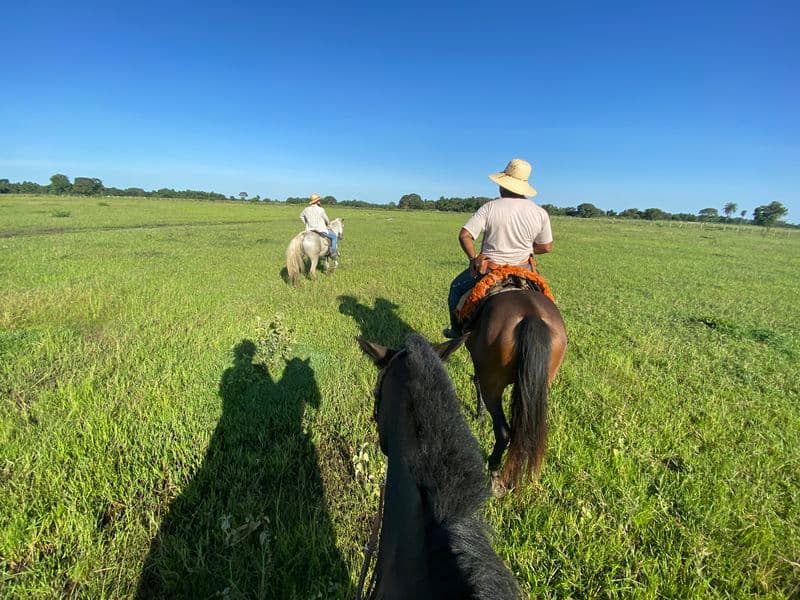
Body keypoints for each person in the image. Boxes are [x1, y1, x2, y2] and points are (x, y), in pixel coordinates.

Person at [444, 158, 554, 338]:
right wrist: (529, 251)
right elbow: (546, 246)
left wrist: (474, 258)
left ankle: (456, 333)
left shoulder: (490, 208)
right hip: (524, 270)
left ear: (503, 185)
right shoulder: (540, 212)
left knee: (456, 289)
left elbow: (465, 235)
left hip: (490, 270)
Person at [300, 193, 339, 258]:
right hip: (321, 230)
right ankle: (333, 253)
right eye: (319, 200)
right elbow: (327, 220)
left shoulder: (306, 209)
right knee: (334, 236)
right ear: (317, 202)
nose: (320, 201)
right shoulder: (321, 209)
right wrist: (327, 224)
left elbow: (301, 216)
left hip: (309, 230)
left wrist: (306, 223)